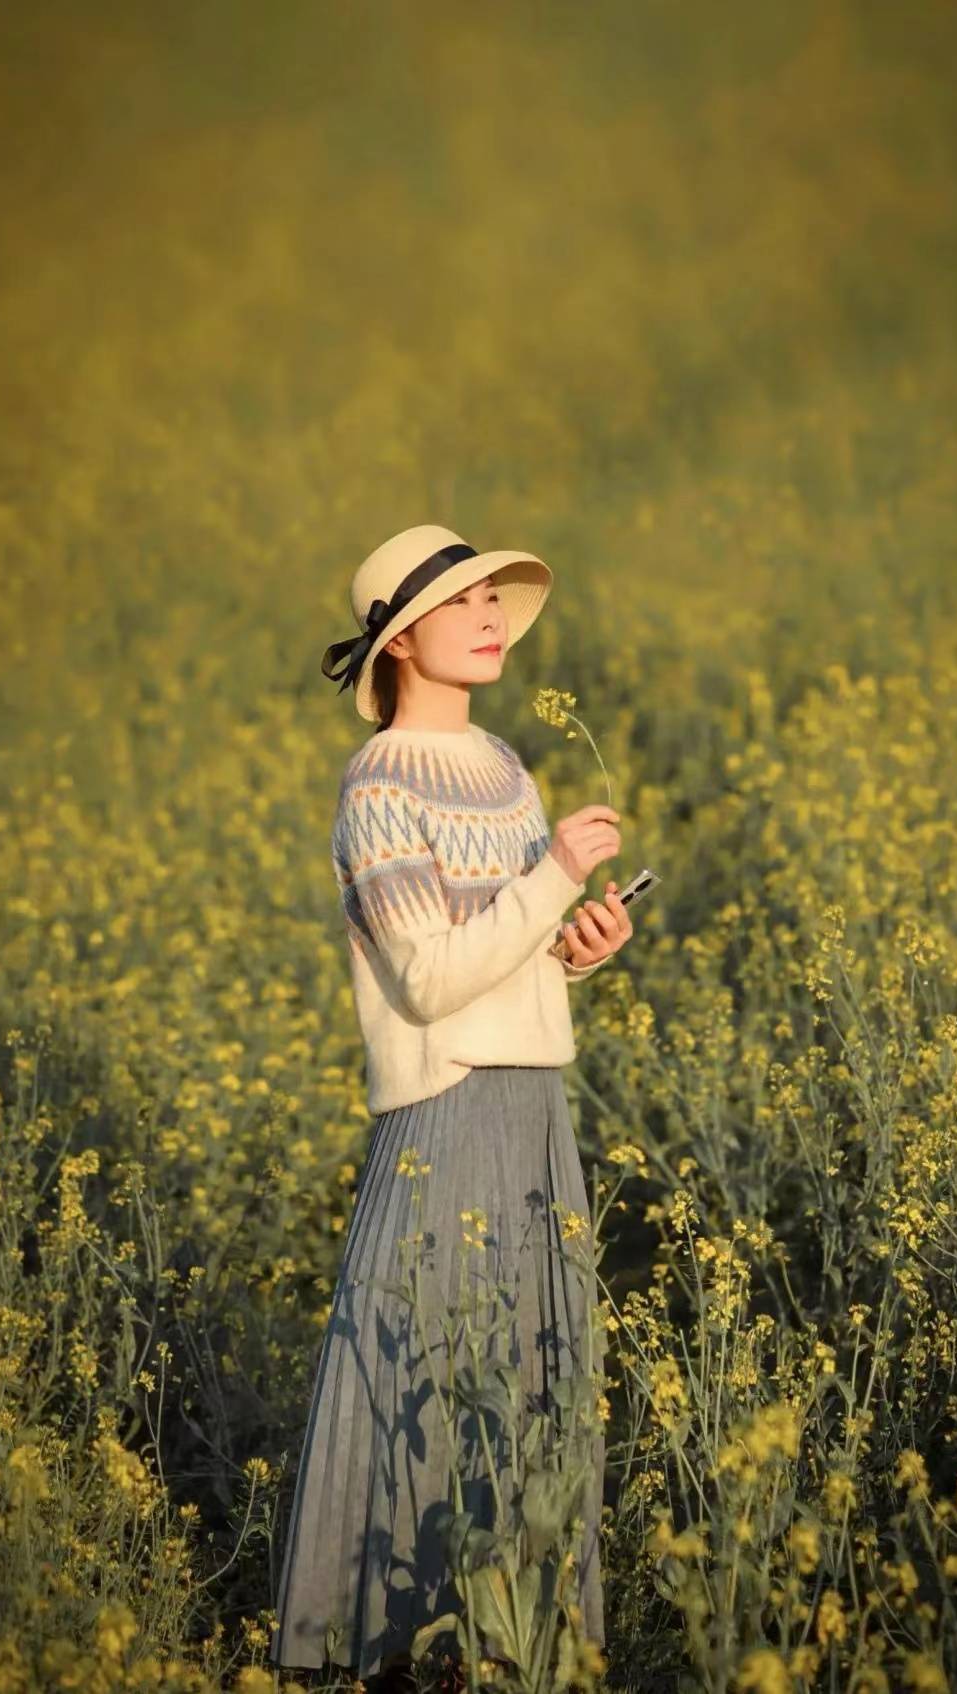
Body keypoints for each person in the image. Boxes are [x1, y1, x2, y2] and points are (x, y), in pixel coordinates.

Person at [267, 525, 632, 1688]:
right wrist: (553, 877)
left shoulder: (508, 766)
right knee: (427, 1363)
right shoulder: (377, 783)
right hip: (448, 1109)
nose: (490, 613)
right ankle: (389, 1647)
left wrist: (578, 945)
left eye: (494, 595)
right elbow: (428, 979)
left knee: (526, 1370)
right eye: (461, 599)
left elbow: (504, 951)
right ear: (400, 638)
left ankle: (511, 1641)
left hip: (533, 1101)